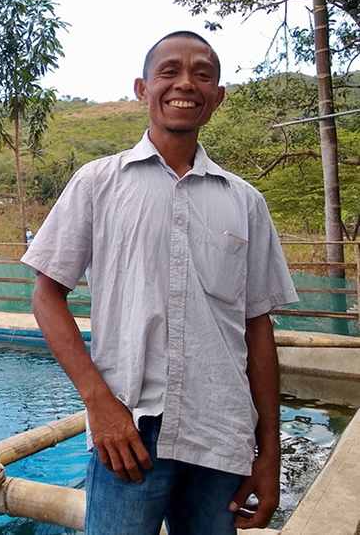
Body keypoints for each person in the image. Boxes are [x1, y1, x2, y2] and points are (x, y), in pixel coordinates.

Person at [21, 31, 298, 535]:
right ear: (142, 89)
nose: (185, 83)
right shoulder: (97, 184)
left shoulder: (246, 202)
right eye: (169, 71)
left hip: (221, 432)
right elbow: (47, 294)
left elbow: (258, 328)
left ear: (216, 97)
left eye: (203, 74)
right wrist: (100, 405)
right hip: (128, 430)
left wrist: (269, 449)